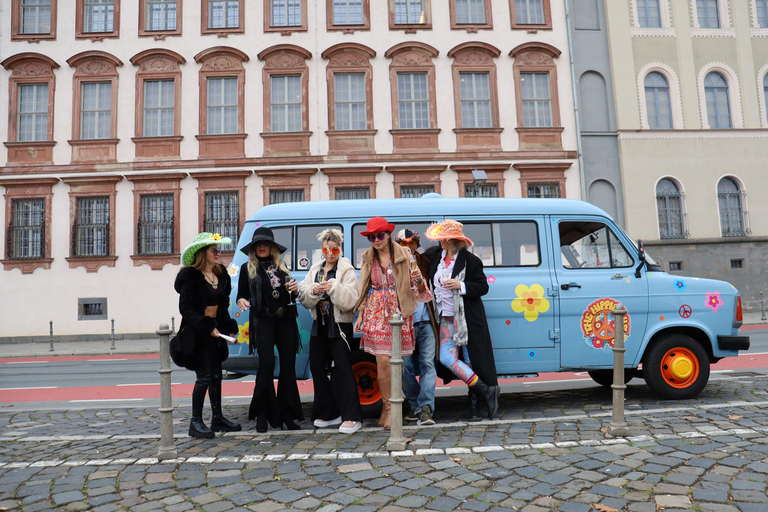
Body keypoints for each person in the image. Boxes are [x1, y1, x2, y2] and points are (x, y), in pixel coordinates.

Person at [354, 217, 431, 429]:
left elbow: (420, 288)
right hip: (376, 310)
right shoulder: (368, 257)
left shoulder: (404, 254)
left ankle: (393, 408)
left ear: (388, 235)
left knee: (396, 363)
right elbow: (363, 286)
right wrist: (360, 313)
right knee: (381, 361)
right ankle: (387, 408)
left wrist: (417, 280)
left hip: (398, 311)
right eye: (372, 236)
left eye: (380, 235)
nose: (376, 240)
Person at [425, 219, 500, 420]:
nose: (439, 241)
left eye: (442, 238)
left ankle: (474, 409)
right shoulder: (434, 257)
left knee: (470, 360)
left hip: (467, 320)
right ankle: (486, 390)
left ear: (451, 240)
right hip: (444, 318)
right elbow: (418, 266)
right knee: (446, 358)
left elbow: (483, 287)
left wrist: (461, 285)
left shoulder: (471, 260)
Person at [175, 232, 242, 439]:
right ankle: (195, 422)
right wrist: (205, 327)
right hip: (198, 333)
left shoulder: (221, 274)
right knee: (203, 377)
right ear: (203, 253)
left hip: (216, 332)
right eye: (214, 250)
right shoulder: (191, 277)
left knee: (216, 376)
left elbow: (222, 306)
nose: (218, 253)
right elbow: (186, 309)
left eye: (218, 250)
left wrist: (227, 326)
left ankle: (218, 418)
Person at [237, 226, 303, 432]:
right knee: (265, 365)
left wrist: (295, 289)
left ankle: (287, 414)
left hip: (285, 320)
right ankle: (263, 413)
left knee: (288, 367)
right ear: (253, 248)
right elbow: (242, 294)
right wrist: (241, 300)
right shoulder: (247, 269)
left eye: (266, 243)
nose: (262, 247)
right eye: (258, 244)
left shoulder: (281, 267)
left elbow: (292, 297)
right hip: (263, 319)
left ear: (272, 247)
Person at [298, 229, 362, 434]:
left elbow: (352, 300)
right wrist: (313, 291)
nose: (331, 253)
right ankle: (329, 412)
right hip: (320, 324)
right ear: (322, 249)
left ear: (339, 249)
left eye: (335, 249)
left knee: (343, 369)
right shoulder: (316, 269)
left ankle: (352, 416)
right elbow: (302, 294)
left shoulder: (346, 269)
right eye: (327, 249)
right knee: (317, 368)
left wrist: (333, 286)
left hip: (340, 325)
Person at [394, 229, 438, 426]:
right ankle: (414, 404)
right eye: (402, 244)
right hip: (405, 321)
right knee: (404, 367)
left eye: (410, 243)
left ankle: (425, 408)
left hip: (426, 319)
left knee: (428, 364)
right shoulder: (392, 264)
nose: (407, 248)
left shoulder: (424, 261)